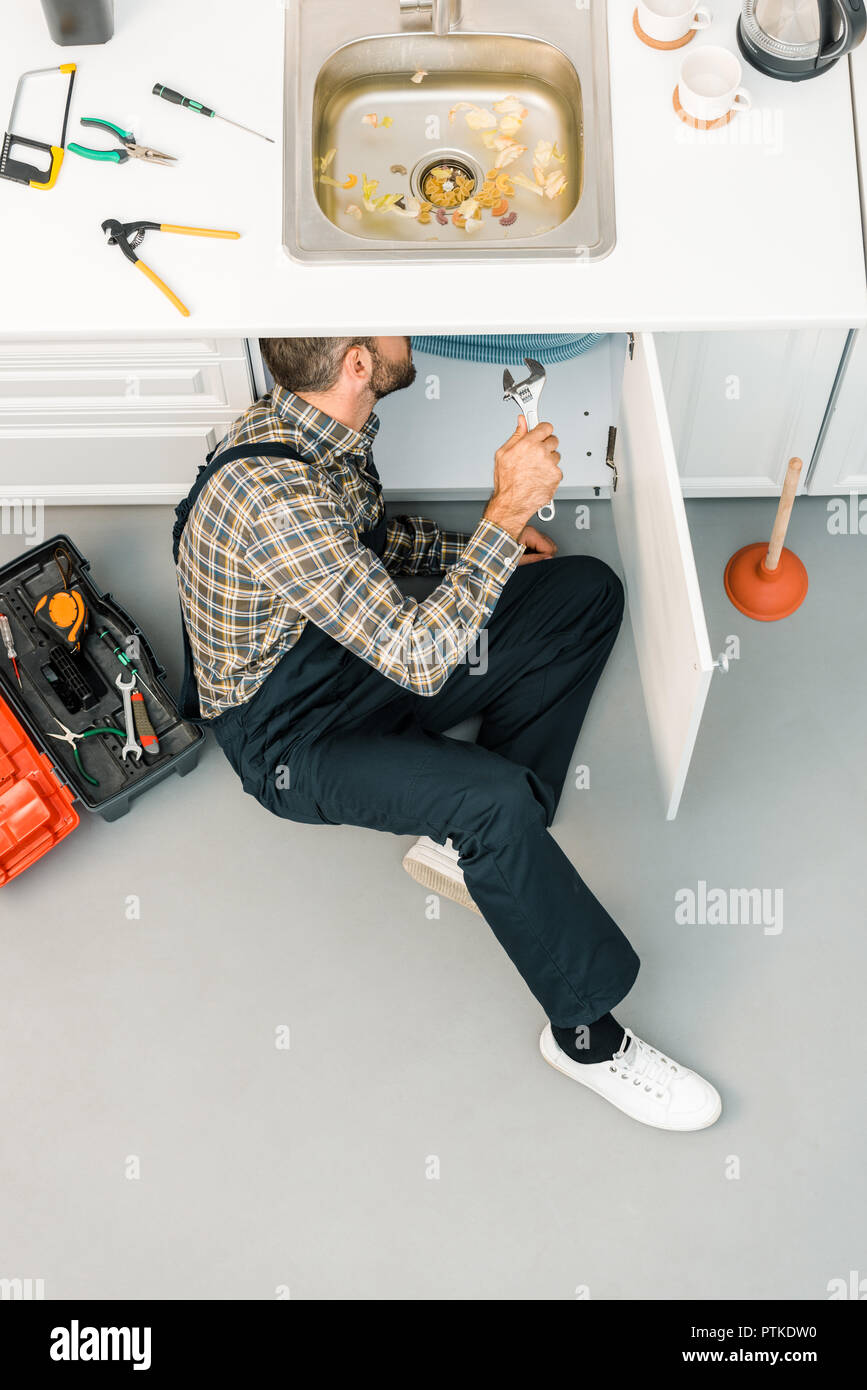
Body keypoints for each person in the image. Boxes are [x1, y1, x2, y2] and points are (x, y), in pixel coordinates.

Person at [174, 336, 721, 1131]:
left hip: (347, 650)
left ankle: (468, 848)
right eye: (390, 326)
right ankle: (585, 1039)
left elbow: (362, 538)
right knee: (494, 803)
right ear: (358, 364)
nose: (413, 330)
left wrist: (473, 550)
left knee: (583, 594)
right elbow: (423, 659)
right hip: (290, 736)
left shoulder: (309, 425)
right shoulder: (271, 496)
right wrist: (503, 515)